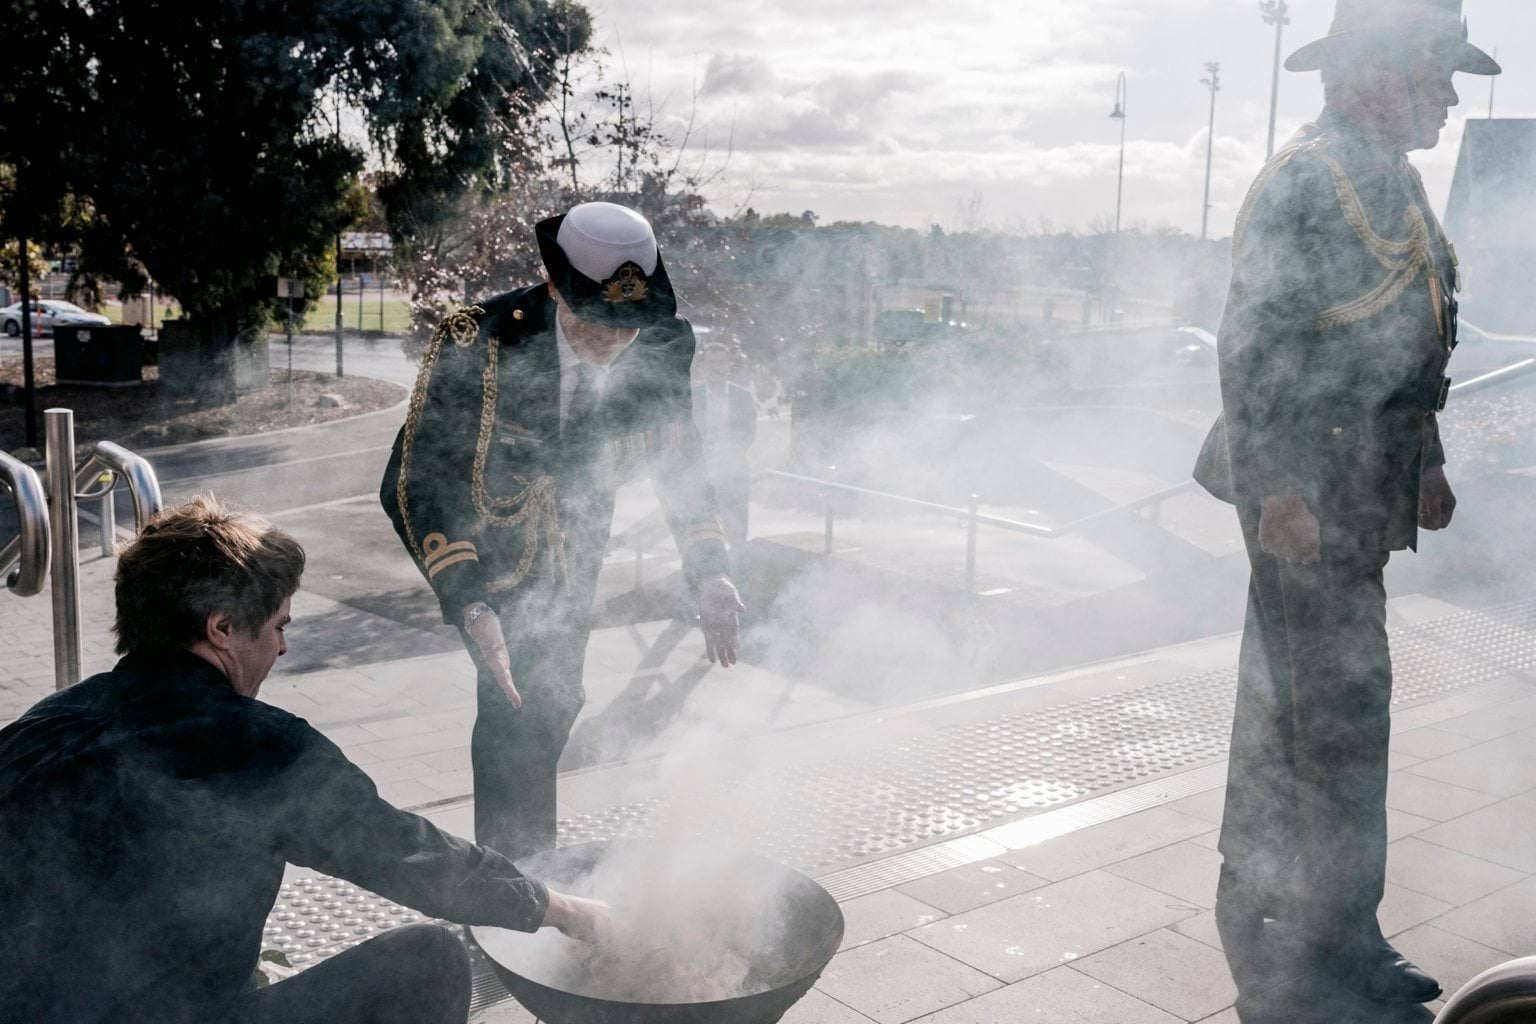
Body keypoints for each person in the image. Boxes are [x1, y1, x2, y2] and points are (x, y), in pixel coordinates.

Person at [0, 497, 608, 1024]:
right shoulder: (254, 746)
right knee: (429, 961)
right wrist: (561, 907)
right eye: (278, 625)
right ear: (222, 629)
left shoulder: (42, 725)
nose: (283, 647)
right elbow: (409, 854)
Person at [1192, 0, 1498, 1006]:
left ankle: (1330, 919)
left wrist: (1428, 459)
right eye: (1437, 71)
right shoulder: (1305, 181)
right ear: (1377, 72)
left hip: (1358, 490)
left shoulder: (1392, 180)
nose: (1451, 95)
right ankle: (1295, 926)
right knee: (1313, 711)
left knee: (1344, 709)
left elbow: (1415, 341)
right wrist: (1278, 494)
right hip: (1303, 495)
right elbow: (1254, 354)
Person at [381, 201, 743, 860]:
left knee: (556, 704)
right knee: (517, 715)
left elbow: (678, 458)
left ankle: (522, 875)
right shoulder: (476, 338)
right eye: (596, 320)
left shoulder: (664, 341)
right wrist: (471, 601)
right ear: (554, 286)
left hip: (577, 556)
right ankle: (515, 887)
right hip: (487, 557)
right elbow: (413, 480)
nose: (612, 340)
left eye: (627, 324)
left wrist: (710, 567)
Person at [691, 337, 757, 598]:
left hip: (734, 475)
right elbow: (687, 435)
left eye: (722, 362)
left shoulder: (742, 396)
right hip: (700, 476)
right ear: (703, 366)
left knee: (737, 533)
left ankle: (740, 585)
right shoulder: (693, 395)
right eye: (712, 362)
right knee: (702, 535)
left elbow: (747, 434)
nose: (717, 367)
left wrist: (727, 459)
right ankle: (702, 588)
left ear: (730, 365)